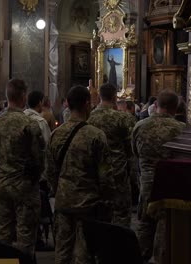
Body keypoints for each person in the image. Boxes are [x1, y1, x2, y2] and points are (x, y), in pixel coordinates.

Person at [46, 85, 115, 264]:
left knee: (62, 253)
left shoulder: (56, 134)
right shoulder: (96, 135)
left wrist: (59, 190)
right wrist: (107, 201)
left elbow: (51, 172)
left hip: (62, 202)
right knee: (84, 255)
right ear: (87, 104)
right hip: (88, 205)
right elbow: (105, 176)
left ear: (68, 104)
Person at [0, 79, 46, 255]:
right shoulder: (28, 123)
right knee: (25, 235)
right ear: (24, 96)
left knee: (3, 234)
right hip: (24, 186)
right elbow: (39, 159)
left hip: (2, 184)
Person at [132, 90, 185, 263]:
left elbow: (135, 153)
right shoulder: (181, 129)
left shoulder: (140, 125)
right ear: (175, 108)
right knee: (164, 227)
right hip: (169, 185)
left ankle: (138, 257)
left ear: (157, 105)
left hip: (146, 183)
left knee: (144, 224)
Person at [87, 83, 136, 227]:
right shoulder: (123, 118)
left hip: (95, 172)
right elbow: (130, 147)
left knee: (98, 211)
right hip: (117, 172)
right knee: (121, 212)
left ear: (100, 96)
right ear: (115, 96)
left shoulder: (89, 117)